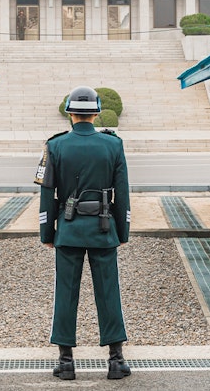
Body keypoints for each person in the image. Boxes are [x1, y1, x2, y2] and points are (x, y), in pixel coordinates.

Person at [37, 86, 131, 380]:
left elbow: (47, 194)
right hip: (104, 229)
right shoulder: (113, 145)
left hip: (68, 228)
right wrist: (122, 230)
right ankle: (116, 361)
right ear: (97, 112)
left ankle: (66, 362)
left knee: (66, 294)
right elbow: (123, 194)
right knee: (108, 293)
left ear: (70, 113)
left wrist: (47, 232)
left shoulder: (55, 146)